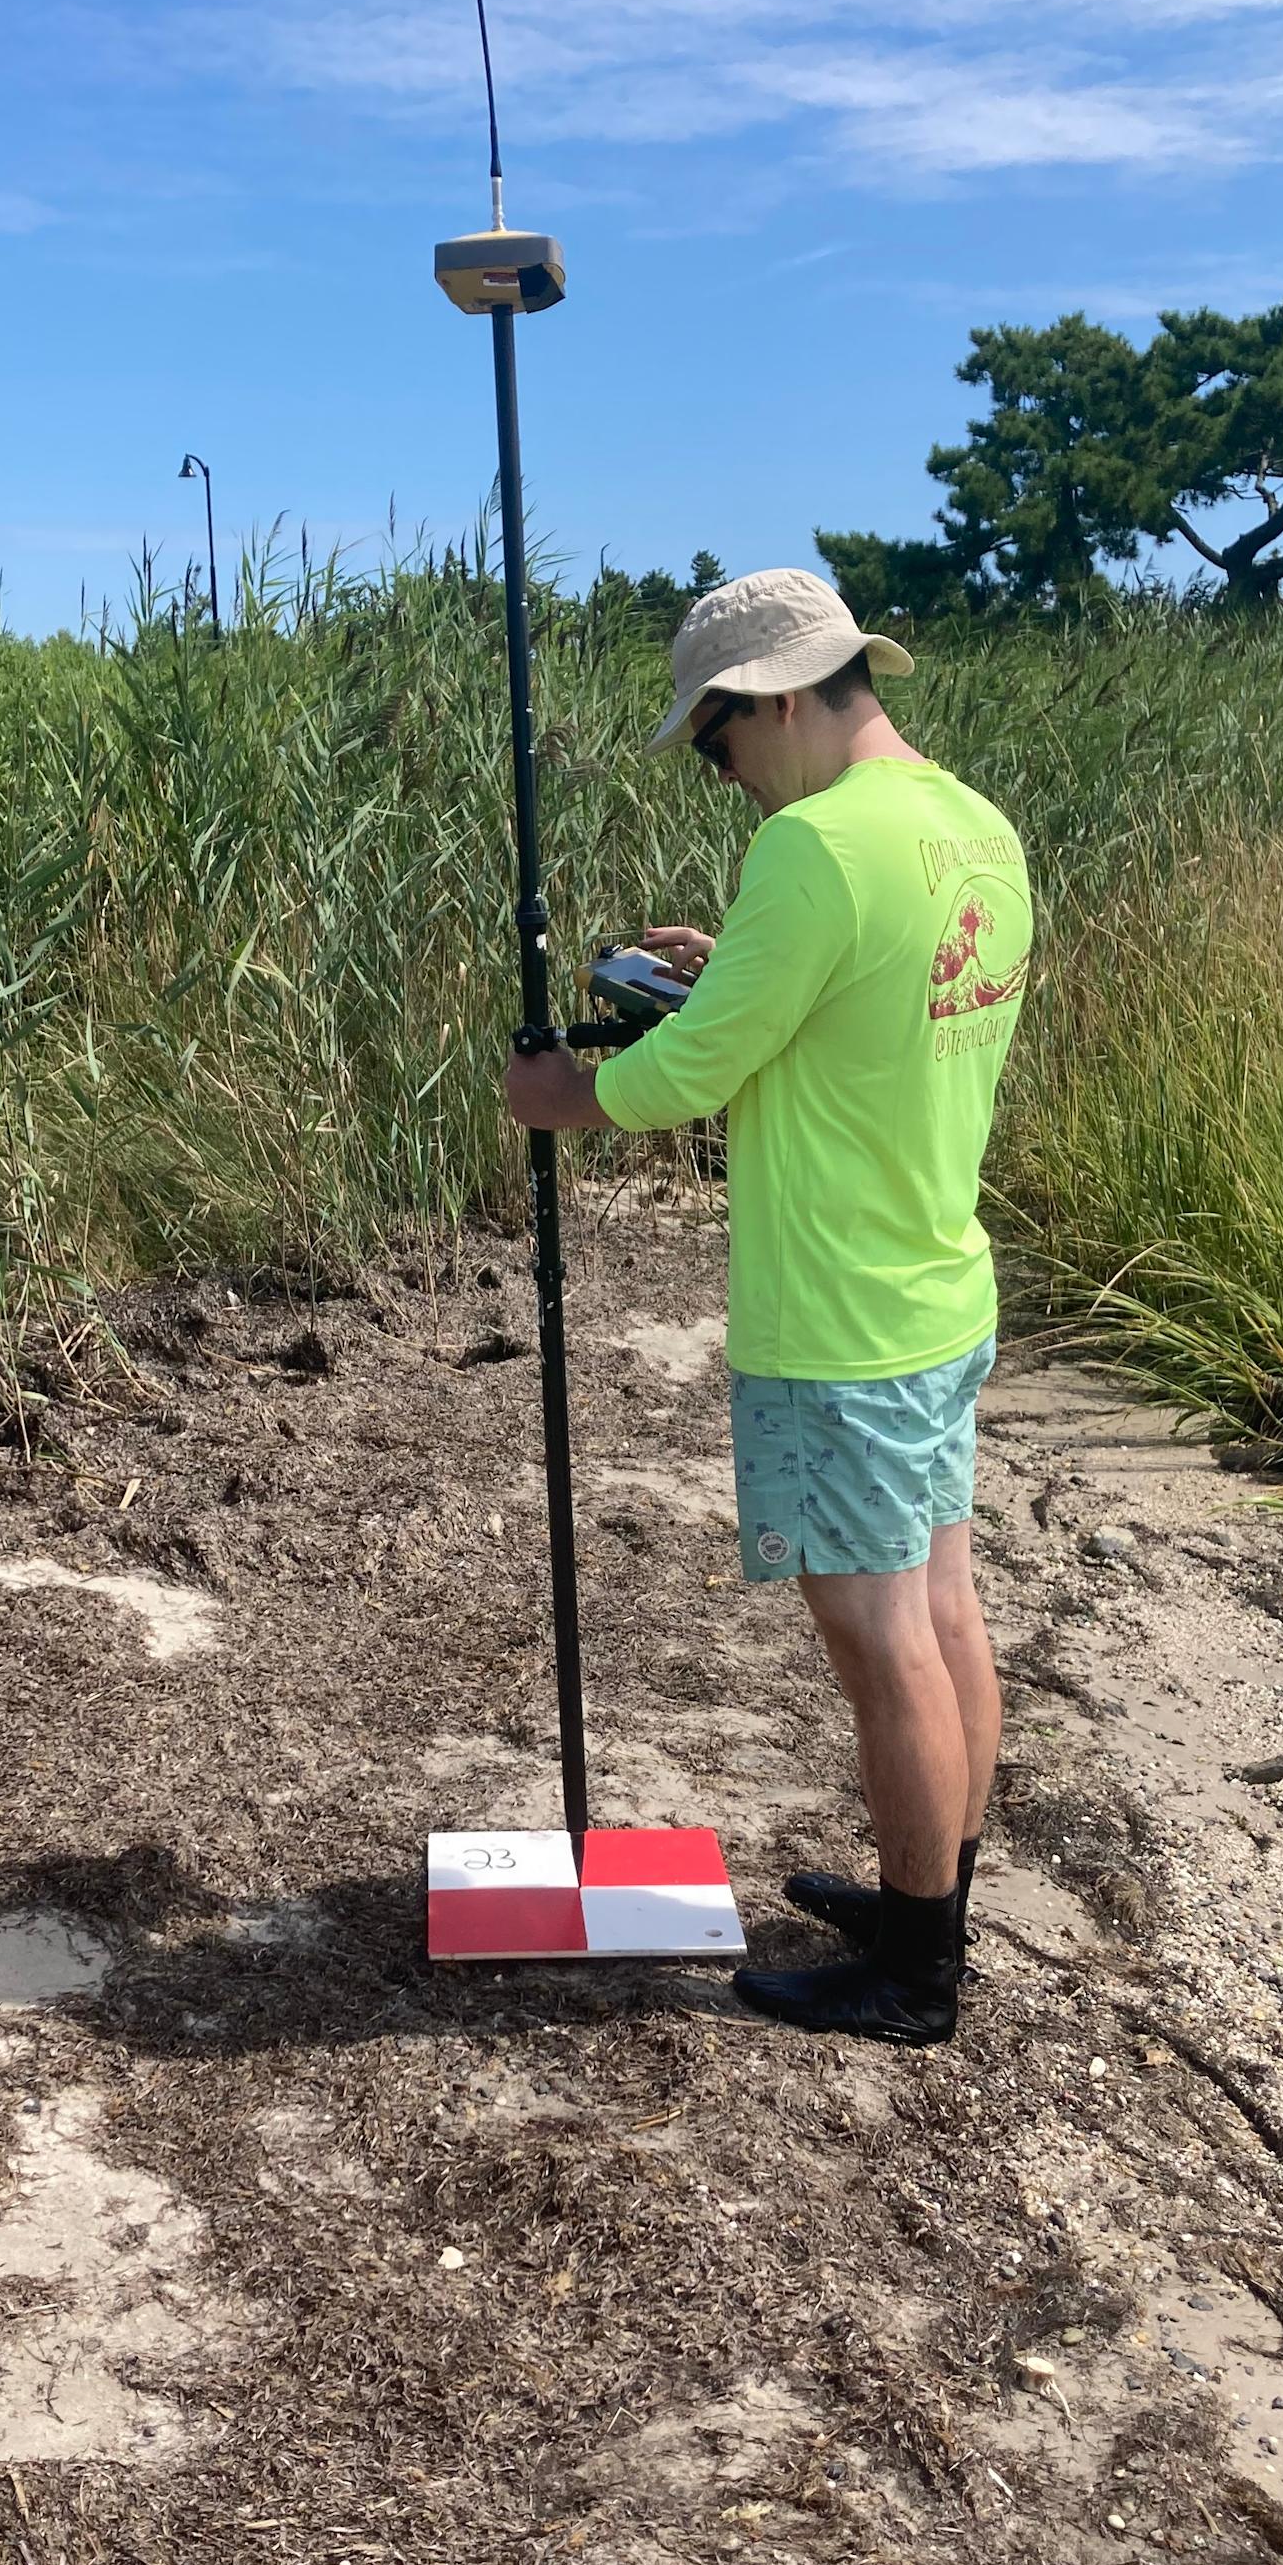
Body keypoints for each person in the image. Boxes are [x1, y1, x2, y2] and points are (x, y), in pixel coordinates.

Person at [505, 569, 1033, 2046]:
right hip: (936, 1285)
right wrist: (726, 967)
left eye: (719, 746)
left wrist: (562, 1096)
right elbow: (856, 1015)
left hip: (841, 1321)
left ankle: (917, 1975)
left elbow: (682, 1080)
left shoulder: (810, 850)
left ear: (784, 701)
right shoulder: (971, 827)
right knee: (940, 1605)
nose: (723, 776)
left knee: (883, 1643)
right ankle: (939, 1894)